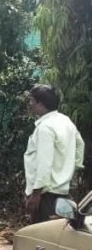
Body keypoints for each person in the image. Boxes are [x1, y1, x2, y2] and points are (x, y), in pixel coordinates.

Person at [23, 84, 85, 224]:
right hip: (62, 192)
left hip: (46, 196)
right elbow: (80, 145)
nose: (30, 104)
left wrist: (36, 194)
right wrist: (69, 171)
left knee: (42, 240)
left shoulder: (45, 127)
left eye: (31, 100)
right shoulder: (65, 120)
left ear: (40, 103)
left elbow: (44, 162)